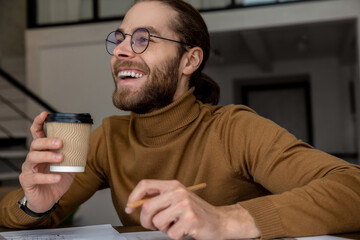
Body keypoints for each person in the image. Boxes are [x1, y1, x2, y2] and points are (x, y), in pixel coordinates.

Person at [1, 0, 360, 239]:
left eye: (144, 39)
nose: (122, 50)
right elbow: (12, 220)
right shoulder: (109, 138)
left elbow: (351, 188)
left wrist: (228, 219)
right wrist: (36, 203)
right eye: (121, 38)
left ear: (189, 61)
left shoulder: (235, 128)